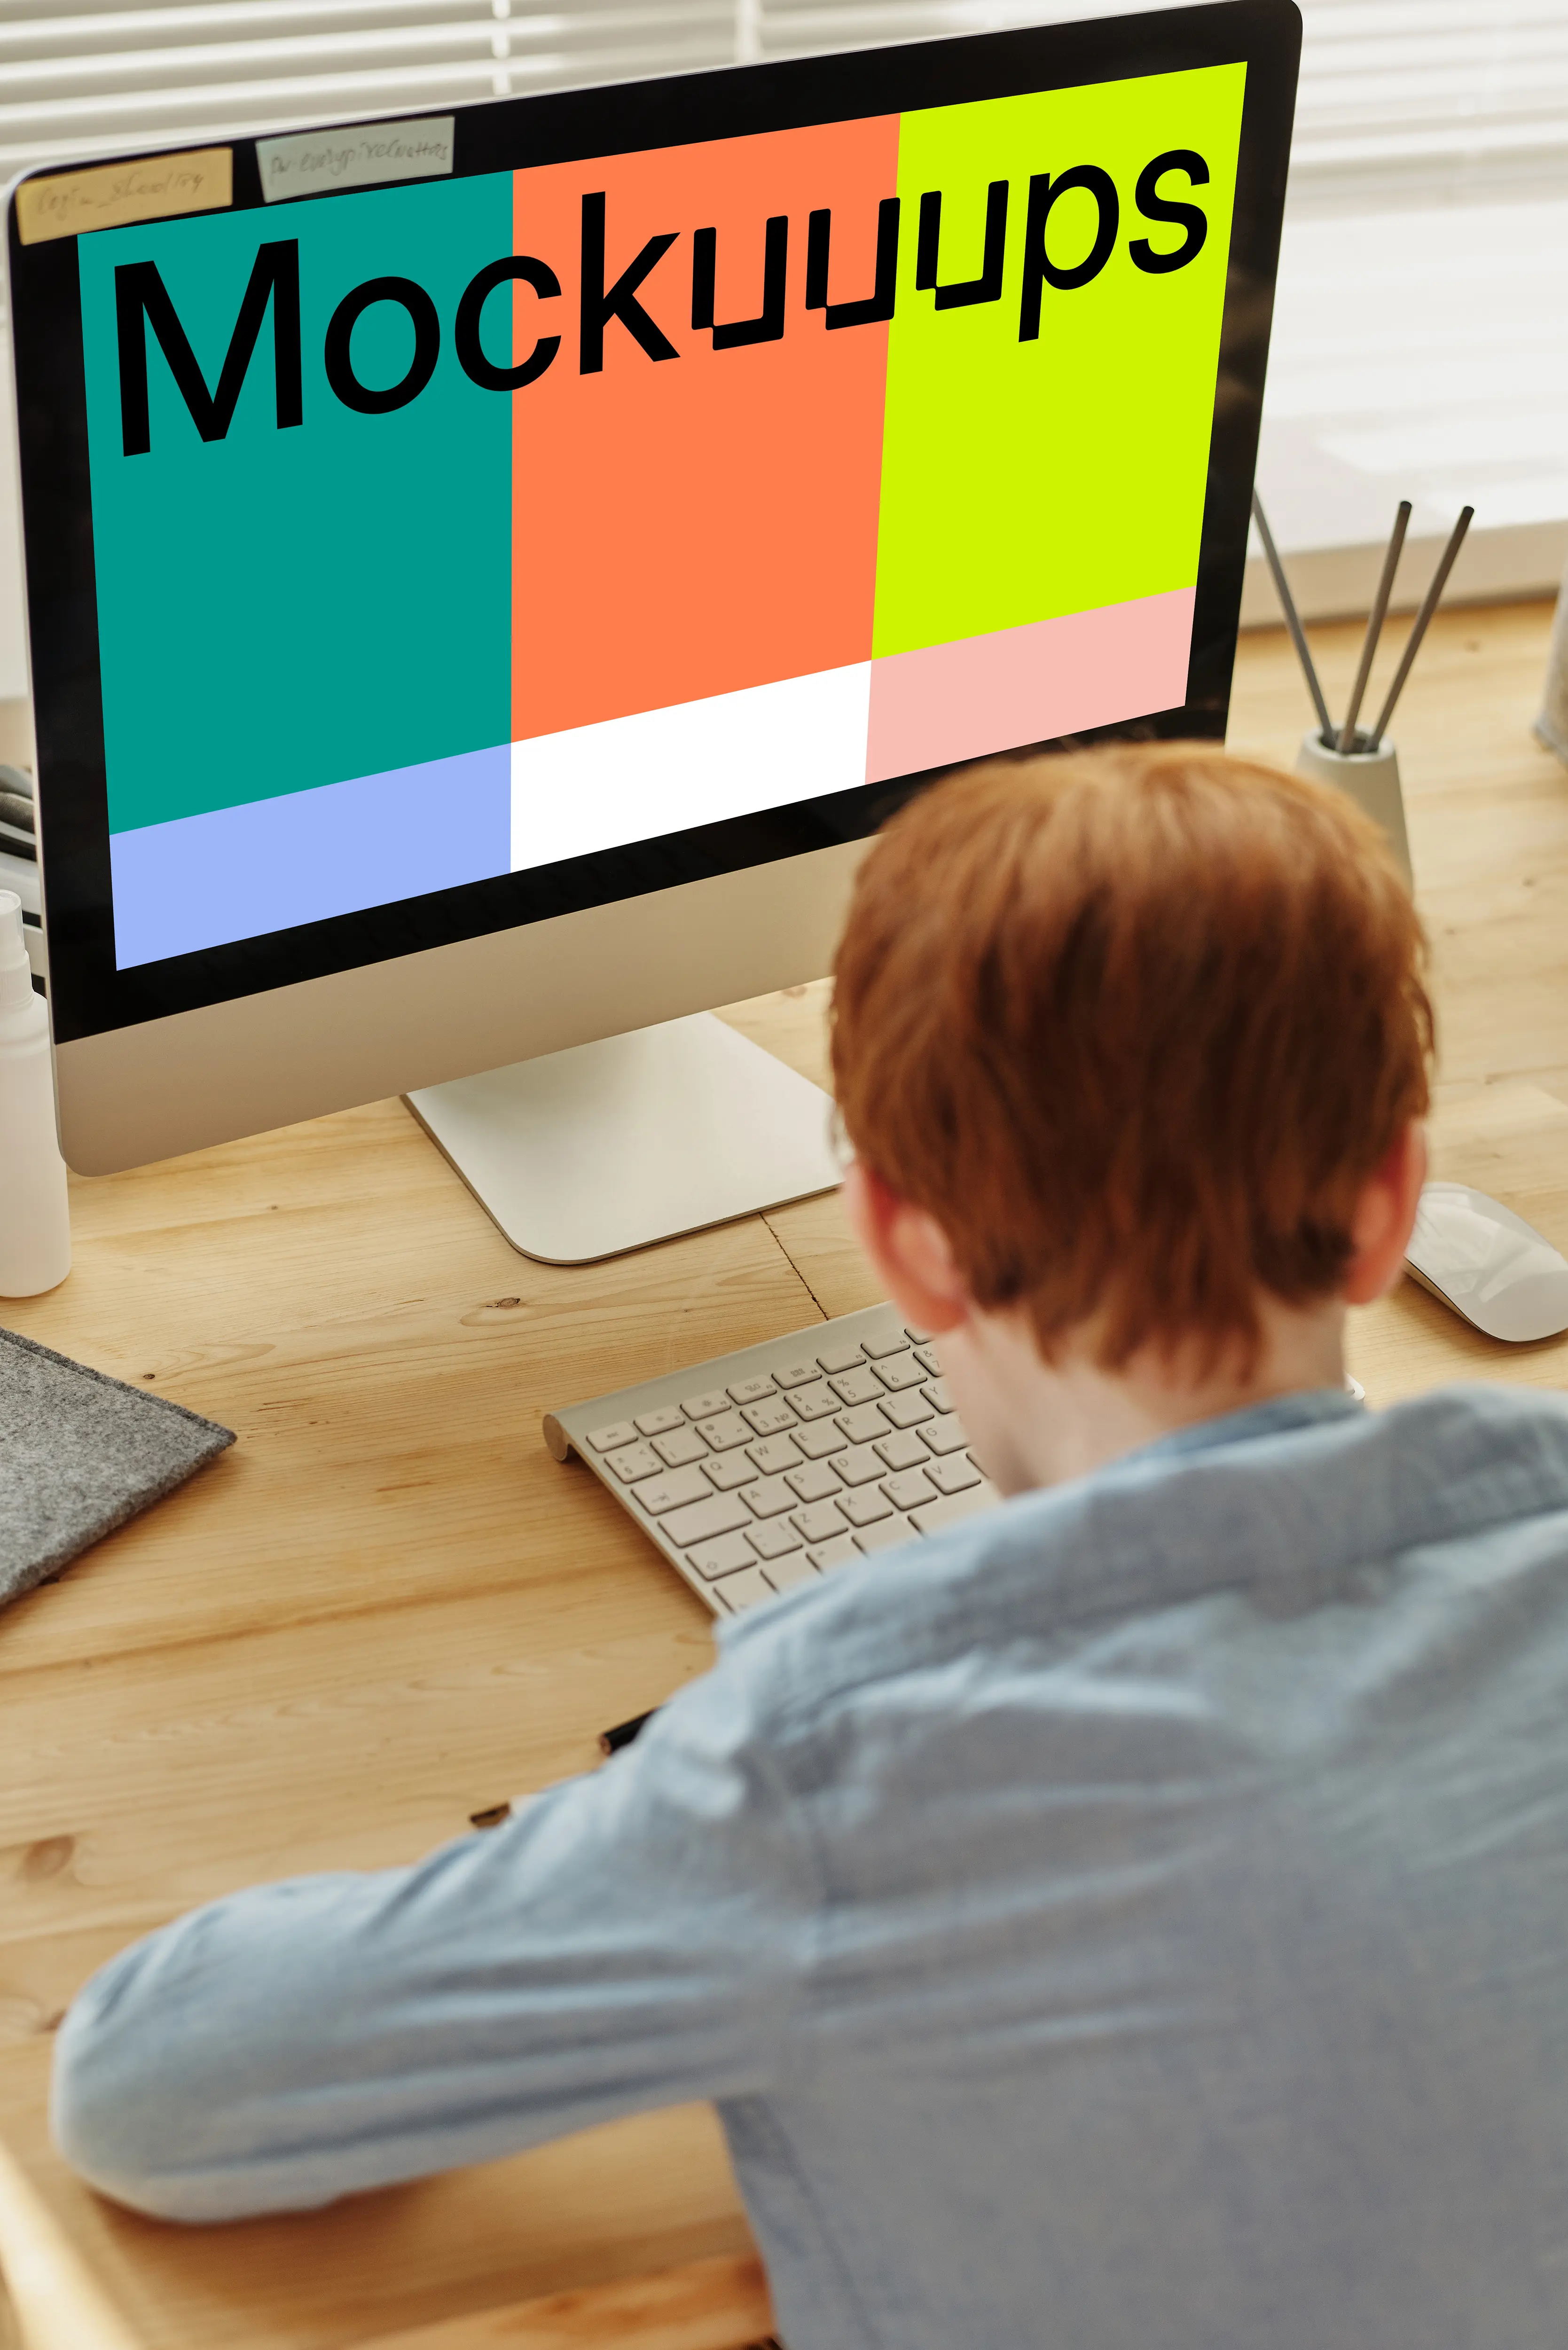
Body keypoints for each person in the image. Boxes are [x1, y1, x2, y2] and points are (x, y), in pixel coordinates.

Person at [52, 744, 1568, 2350]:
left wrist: (623, 1841)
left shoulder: (829, 1779)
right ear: (1393, 1196)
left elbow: (150, 2092)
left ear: (904, 1238)